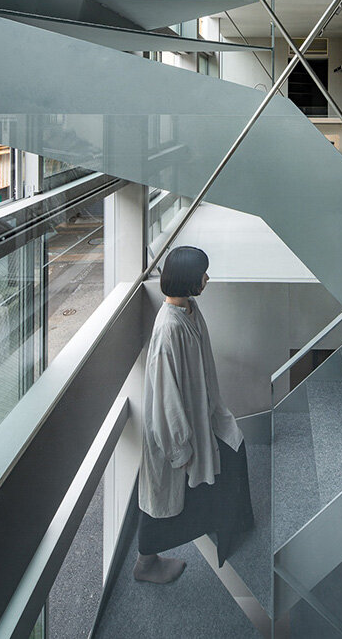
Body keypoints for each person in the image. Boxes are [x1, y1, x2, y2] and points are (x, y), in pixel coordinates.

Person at [134, 246, 254, 584]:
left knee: (228, 459)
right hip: (177, 431)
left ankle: (218, 528)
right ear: (189, 278)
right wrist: (180, 449)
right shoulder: (168, 330)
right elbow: (165, 401)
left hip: (201, 419)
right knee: (163, 498)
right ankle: (146, 563)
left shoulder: (189, 309)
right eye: (203, 272)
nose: (207, 278)